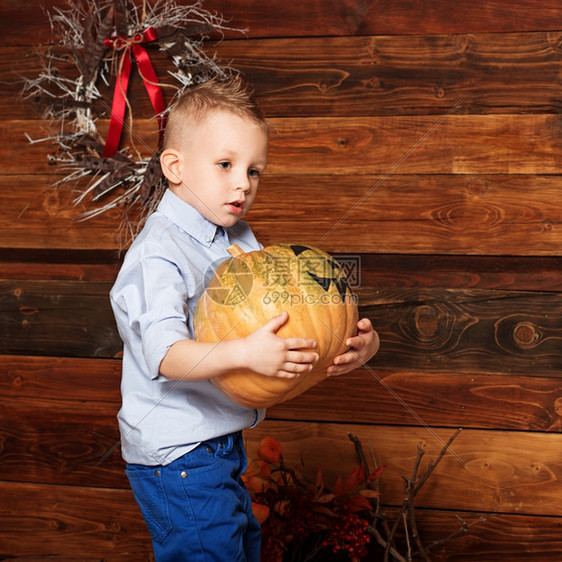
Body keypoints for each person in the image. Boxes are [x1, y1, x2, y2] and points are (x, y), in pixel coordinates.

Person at [110, 76, 380, 562]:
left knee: (240, 549)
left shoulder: (232, 236)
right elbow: (166, 355)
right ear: (175, 166)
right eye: (226, 165)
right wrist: (246, 354)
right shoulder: (158, 254)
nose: (243, 183)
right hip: (177, 456)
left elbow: (288, 317)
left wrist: (353, 342)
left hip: (218, 445)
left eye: (254, 171)